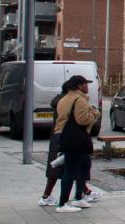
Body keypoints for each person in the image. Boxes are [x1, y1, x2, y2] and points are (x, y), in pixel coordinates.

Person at [41, 80, 103, 208]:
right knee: (71, 170)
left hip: (65, 136)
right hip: (75, 137)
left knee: (84, 165)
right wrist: (95, 114)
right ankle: (63, 204)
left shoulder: (64, 99)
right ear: (78, 86)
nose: (87, 86)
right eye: (85, 84)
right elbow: (82, 120)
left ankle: (79, 197)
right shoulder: (79, 99)